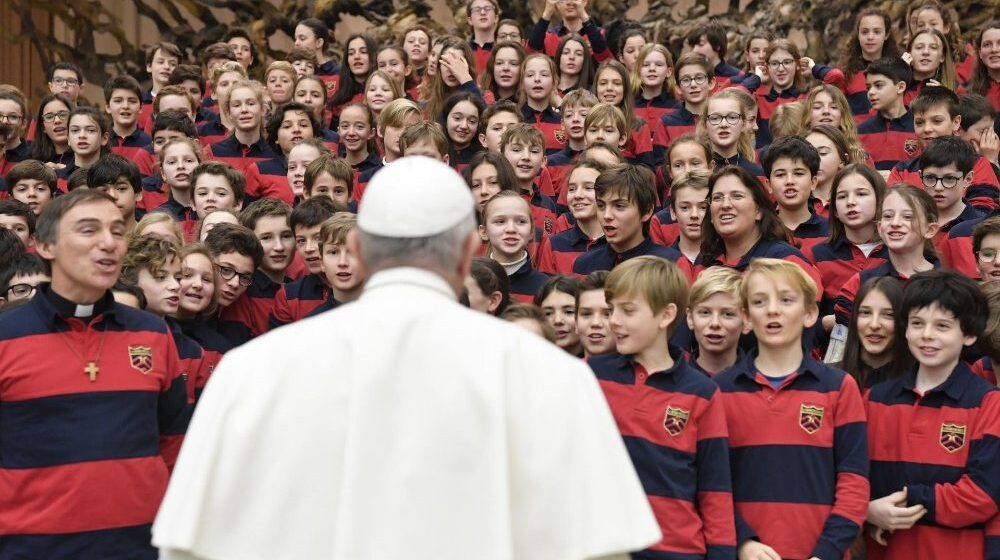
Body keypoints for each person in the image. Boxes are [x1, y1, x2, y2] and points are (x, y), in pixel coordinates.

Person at [152, 156, 659, 560]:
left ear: (358, 249)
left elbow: (189, 546)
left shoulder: (249, 373)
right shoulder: (554, 377)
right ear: (468, 253)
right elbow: (601, 547)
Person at [0, 188, 189, 558]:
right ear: (45, 246)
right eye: (89, 230)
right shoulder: (5, 337)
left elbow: (173, 445)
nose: (109, 243)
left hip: (138, 549)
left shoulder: (153, 334)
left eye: (118, 231)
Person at [714, 257, 869, 560]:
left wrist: (827, 552)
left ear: (810, 312)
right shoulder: (720, 390)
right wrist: (743, 542)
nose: (773, 310)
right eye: (759, 301)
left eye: (786, 300)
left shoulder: (838, 387)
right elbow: (712, 484)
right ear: (745, 317)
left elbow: (854, 482)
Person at [591, 255, 736, 558]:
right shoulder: (592, 376)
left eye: (628, 310)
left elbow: (715, 491)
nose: (614, 320)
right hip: (604, 547)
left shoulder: (702, 393)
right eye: (612, 309)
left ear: (666, 314)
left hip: (676, 550)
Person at [865, 270, 1000, 559]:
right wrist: (867, 509)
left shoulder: (990, 404)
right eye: (917, 323)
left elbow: (983, 496)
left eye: (942, 326)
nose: (927, 335)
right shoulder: (873, 400)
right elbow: (848, 477)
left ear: (969, 334)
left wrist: (908, 501)